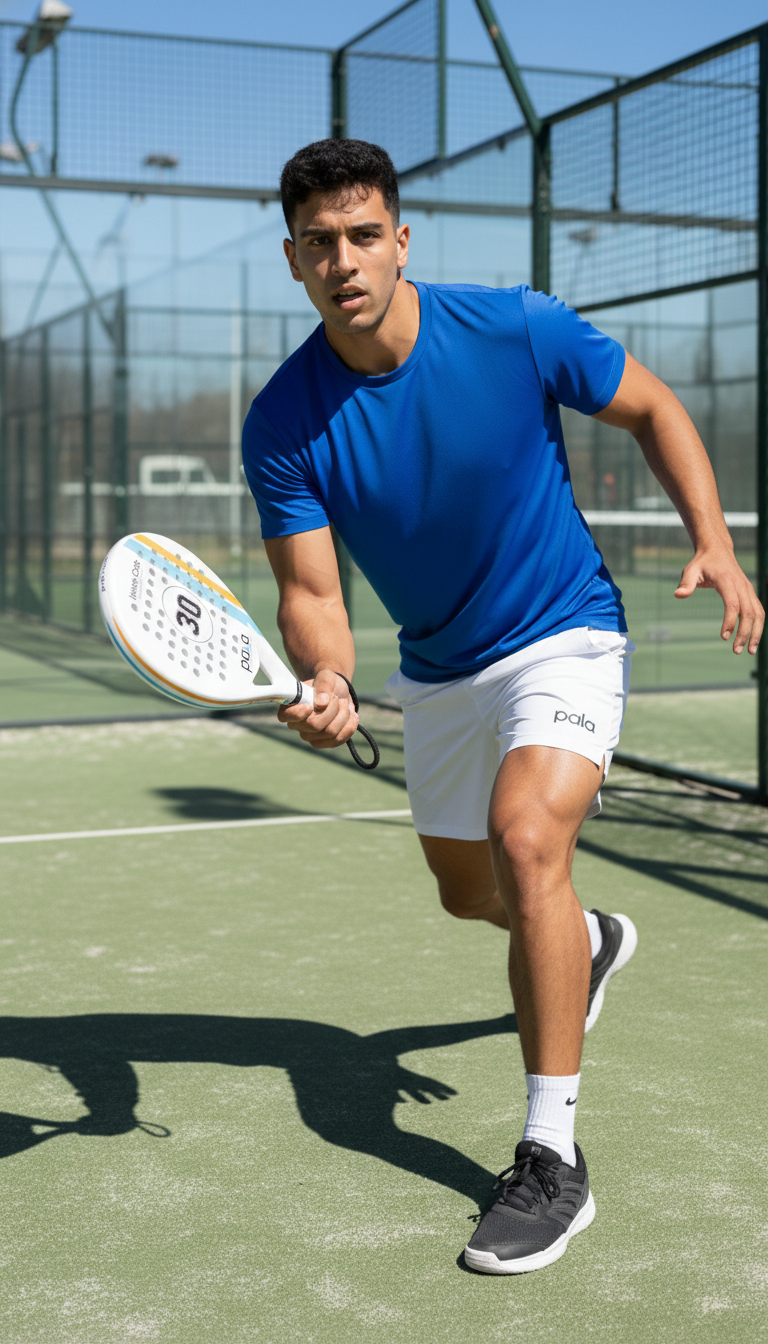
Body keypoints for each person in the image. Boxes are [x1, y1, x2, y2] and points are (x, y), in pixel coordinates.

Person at [241, 138, 764, 1274]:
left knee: (529, 839)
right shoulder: (283, 422)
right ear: (293, 259)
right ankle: (585, 943)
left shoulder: (516, 327)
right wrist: (328, 678)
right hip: (435, 675)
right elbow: (313, 592)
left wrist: (716, 544)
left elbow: (656, 408)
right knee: (467, 890)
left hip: (562, 633)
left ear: (400, 240)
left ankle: (550, 1156)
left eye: (364, 235)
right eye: (321, 243)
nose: (346, 261)